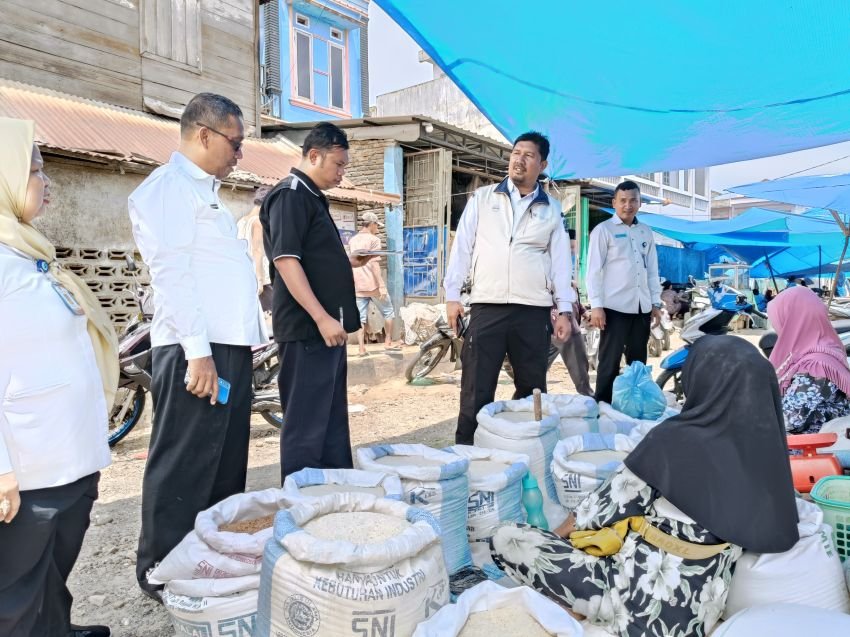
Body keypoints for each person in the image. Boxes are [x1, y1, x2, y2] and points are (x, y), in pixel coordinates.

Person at [490, 335, 799, 637]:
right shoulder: (767, 455)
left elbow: (592, 514)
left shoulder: (673, 441)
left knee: (506, 537)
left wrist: (553, 543)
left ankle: (575, 605)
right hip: (692, 619)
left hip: (627, 604)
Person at [130, 93, 267, 600]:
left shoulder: (205, 192)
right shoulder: (167, 189)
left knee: (224, 461)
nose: (239, 154)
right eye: (235, 142)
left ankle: (210, 558)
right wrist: (198, 352)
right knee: (184, 461)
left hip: (225, 347)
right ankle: (160, 569)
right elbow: (171, 275)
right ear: (204, 135)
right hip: (197, 349)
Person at [0, 118, 118, 637]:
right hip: (27, 469)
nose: (46, 182)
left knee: (50, 575)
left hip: (67, 458)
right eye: (34, 171)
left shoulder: (29, 252)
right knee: (15, 594)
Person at [443, 131, 575, 445]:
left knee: (531, 388)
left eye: (529, 155)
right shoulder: (484, 198)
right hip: (487, 306)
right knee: (476, 387)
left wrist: (564, 310)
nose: (519, 160)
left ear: (542, 164)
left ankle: (525, 450)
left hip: (532, 311)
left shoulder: (551, 209)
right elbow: (462, 248)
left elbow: (561, 263)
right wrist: (452, 296)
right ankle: (468, 452)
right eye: (516, 153)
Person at [261, 122, 375, 480]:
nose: (342, 173)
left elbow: (312, 257)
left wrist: (347, 261)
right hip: (308, 329)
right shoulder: (291, 195)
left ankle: (334, 493)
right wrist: (322, 317)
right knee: (306, 426)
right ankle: (302, 500)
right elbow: (286, 260)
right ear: (314, 155)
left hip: (326, 330)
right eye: (338, 165)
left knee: (329, 422)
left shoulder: (312, 197)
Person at [587, 181, 661, 404]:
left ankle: (634, 405)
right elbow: (593, 271)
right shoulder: (603, 230)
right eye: (623, 201)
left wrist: (655, 302)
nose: (628, 205)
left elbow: (652, 270)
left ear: (639, 203)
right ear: (614, 203)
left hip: (641, 307)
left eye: (633, 200)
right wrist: (596, 306)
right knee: (609, 362)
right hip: (614, 308)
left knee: (638, 363)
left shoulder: (645, 231)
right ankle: (602, 406)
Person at [767, 285, 850, 435]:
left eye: (778, 320)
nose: (776, 326)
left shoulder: (815, 367)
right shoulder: (824, 350)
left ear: (792, 321)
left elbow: (787, 420)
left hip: (814, 446)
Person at [349, 211, 401, 355]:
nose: (377, 228)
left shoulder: (353, 240)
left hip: (358, 286)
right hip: (373, 286)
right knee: (388, 311)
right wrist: (381, 285)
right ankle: (388, 342)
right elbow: (374, 264)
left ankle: (361, 348)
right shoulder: (374, 240)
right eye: (376, 225)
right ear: (371, 224)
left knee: (360, 318)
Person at [237, 186, 273, 312]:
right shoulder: (258, 222)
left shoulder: (241, 221)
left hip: (245, 275)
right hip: (261, 277)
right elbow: (257, 250)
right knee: (269, 315)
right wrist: (259, 279)